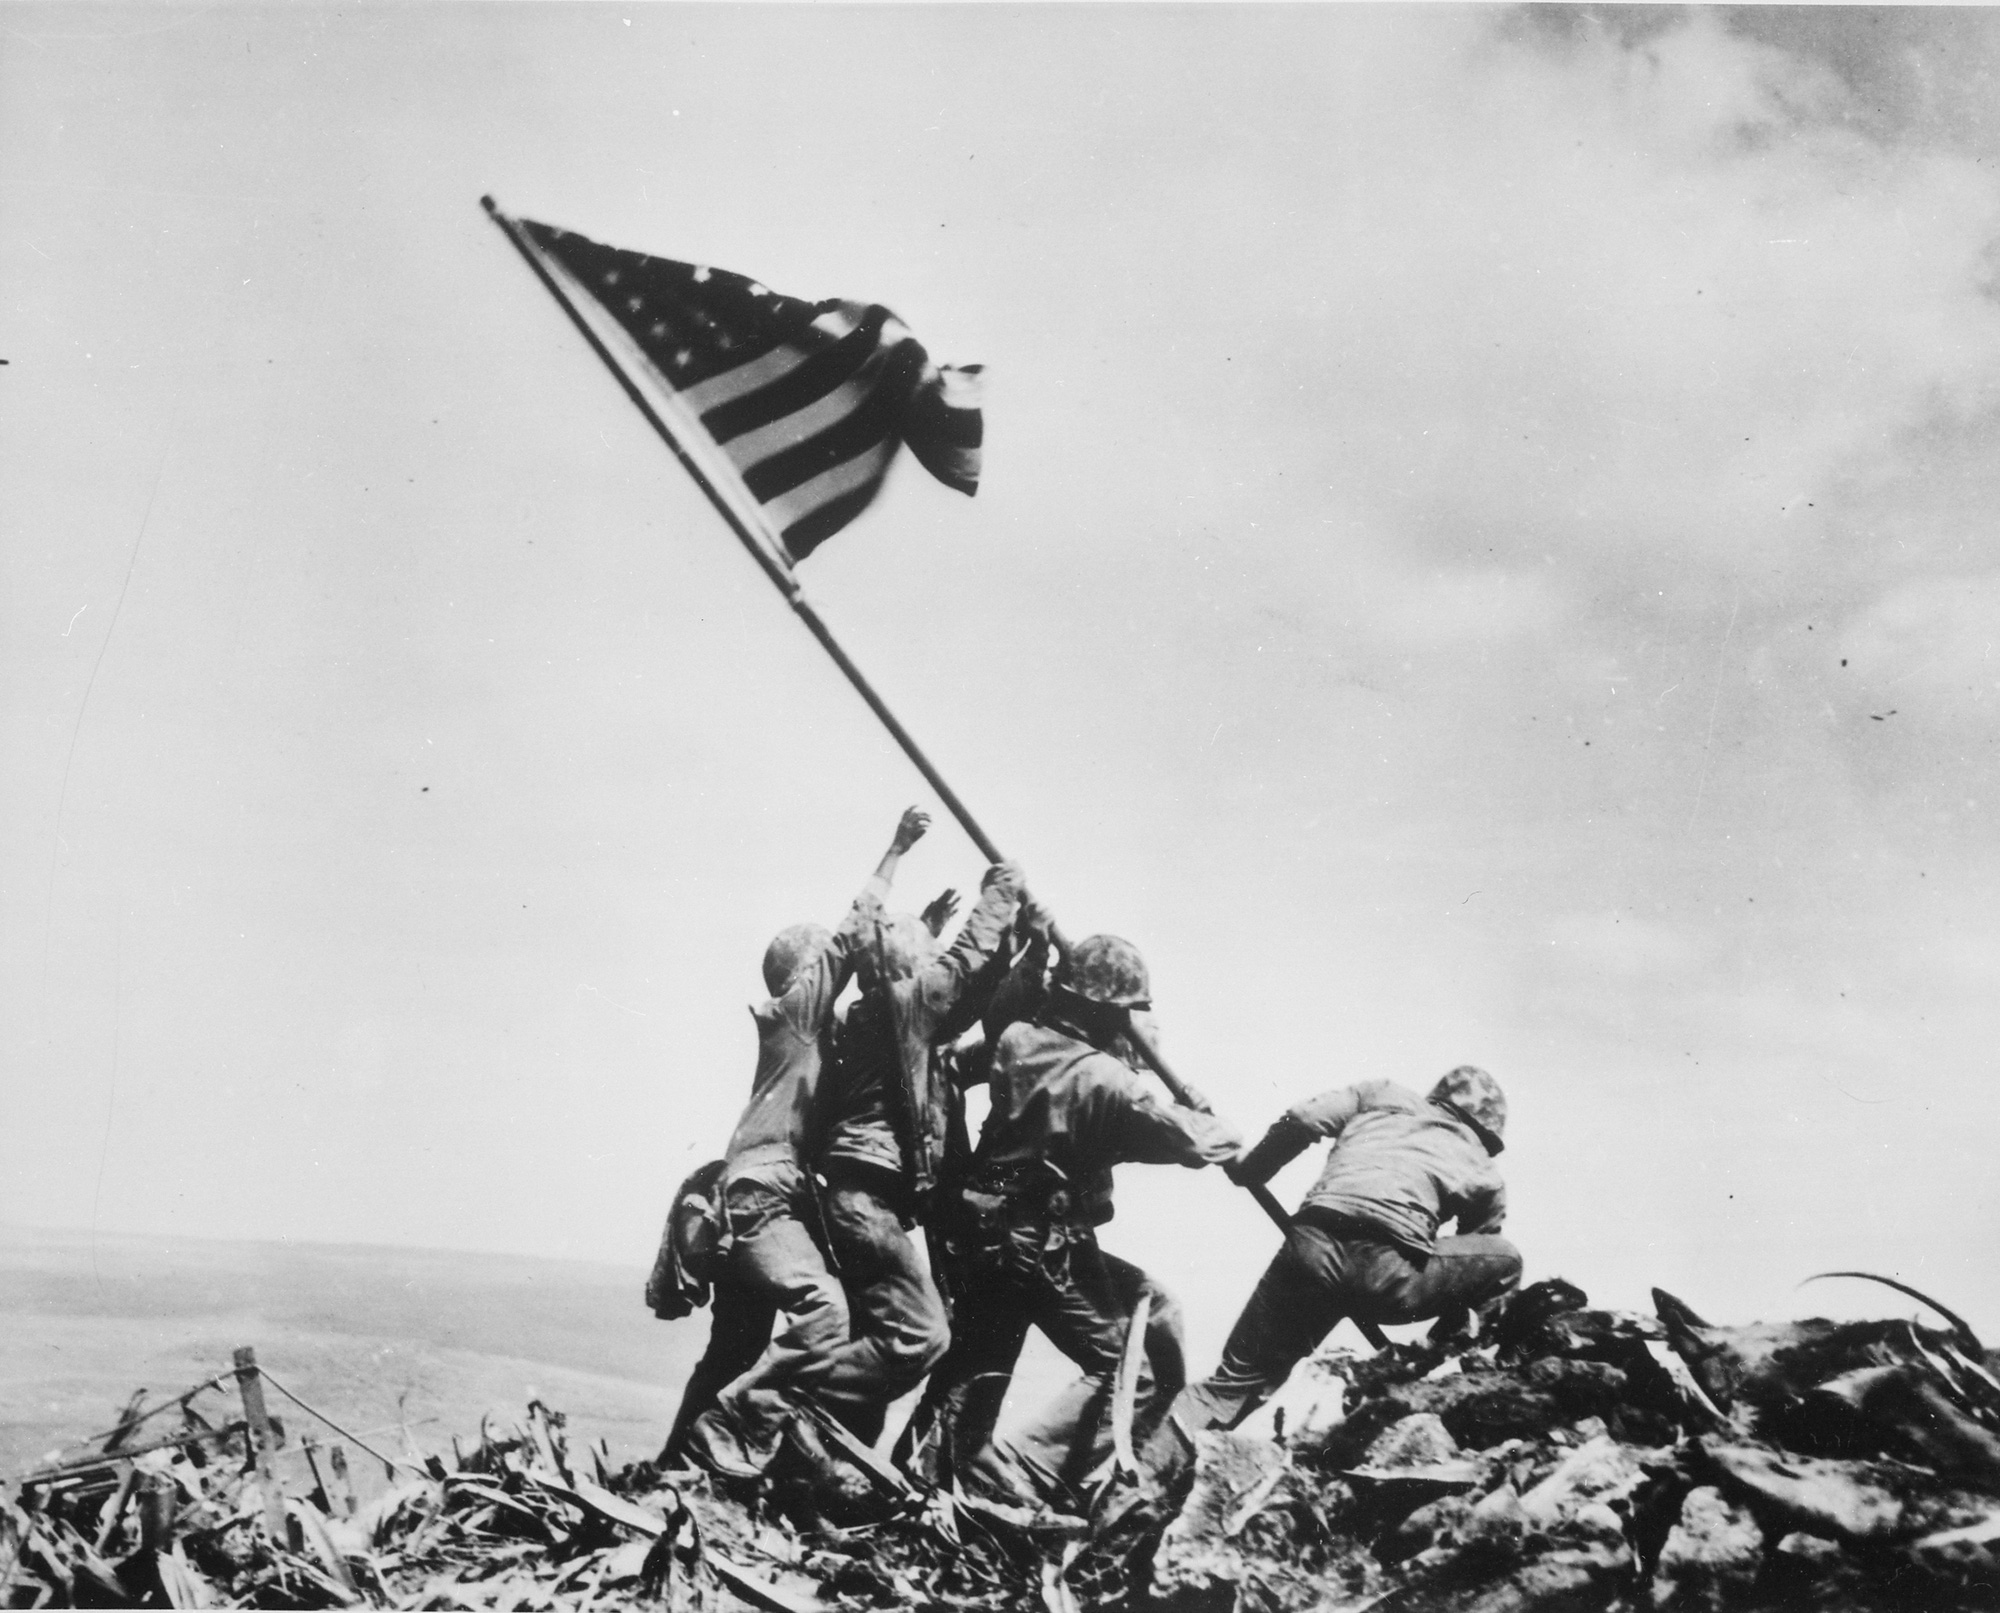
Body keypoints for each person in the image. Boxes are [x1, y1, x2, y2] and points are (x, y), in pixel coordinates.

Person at [894, 933, 1241, 1499]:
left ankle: (922, 1480)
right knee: (1139, 1368)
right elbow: (1198, 1144)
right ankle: (1024, 1476)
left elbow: (960, 1065)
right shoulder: (1109, 1082)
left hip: (987, 1231)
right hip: (1038, 1246)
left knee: (973, 1374)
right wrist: (1209, 1116)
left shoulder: (1017, 1040)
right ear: (1105, 1012)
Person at [672, 807, 928, 1479]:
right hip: (764, 1194)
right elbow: (850, 939)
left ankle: (676, 1463)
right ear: (802, 975)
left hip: (758, 1195)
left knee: (735, 1344)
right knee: (825, 1310)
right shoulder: (794, 1015)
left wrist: (922, 925)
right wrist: (895, 850)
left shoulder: (808, 1035)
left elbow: (878, 976)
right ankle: (734, 1429)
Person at [1168, 1065, 1523, 1441]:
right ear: (1487, 1131)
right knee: (1506, 1261)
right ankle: (1444, 1370)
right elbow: (1473, 1270)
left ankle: (1134, 1473)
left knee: (1230, 1387)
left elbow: (1303, 1118)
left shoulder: (1382, 1094)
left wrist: (1252, 1172)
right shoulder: (1484, 1169)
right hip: (1387, 1277)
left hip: (1309, 1252)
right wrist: (1433, 1351)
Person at [807, 857, 1027, 1446]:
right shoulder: (900, 1005)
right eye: (925, 955)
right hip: (866, 1205)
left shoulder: (902, 1033)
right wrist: (1000, 895)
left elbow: (983, 1012)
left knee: (881, 1340)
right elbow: (961, 971)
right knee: (922, 1336)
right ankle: (782, 1398)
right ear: (909, 966)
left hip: (867, 1205)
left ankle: (828, 1464)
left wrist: (1024, 955)